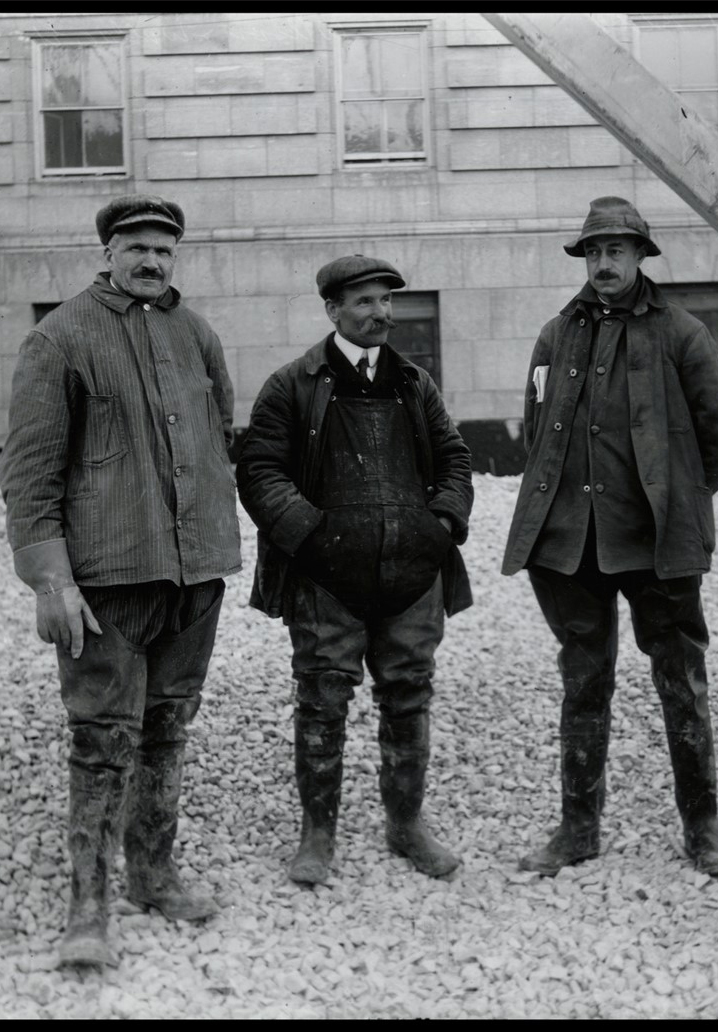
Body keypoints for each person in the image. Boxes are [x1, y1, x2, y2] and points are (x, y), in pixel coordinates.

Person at [0, 194, 241, 967]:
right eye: (135, 247)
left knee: (168, 728)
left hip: (193, 575)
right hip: (105, 584)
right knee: (102, 741)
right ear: (105, 252)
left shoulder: (194, 333)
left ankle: (155, 875)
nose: (150, 261)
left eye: (164, 250)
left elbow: (217, 439)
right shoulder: (60, 337)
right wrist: (50, 582)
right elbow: (28, 474)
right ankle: (89, 910)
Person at [503, 197, 718, 877]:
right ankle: (577, 829)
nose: (603, 264)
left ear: (640, 256)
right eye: (593, 252)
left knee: (681, 683)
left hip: (656, 546)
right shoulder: (556, 335)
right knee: (582, 684)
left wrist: (675, 503)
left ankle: (702, 830)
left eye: (616, 251)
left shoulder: (683, 335)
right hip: (570, 548)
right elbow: (535, 431)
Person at [235, 255, 472, 887]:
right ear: (333, 310)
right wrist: (312, 538)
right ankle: (318, 834)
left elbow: (453, 458)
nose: (380, 314)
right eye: (364, 303)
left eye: (386, 302)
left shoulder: (414, 382)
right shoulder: (293, 383)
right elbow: (259, 471)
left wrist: (441, 527)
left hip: (412, 576)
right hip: (326, 581)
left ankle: (407, 825)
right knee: (321, 700)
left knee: (409, 694)